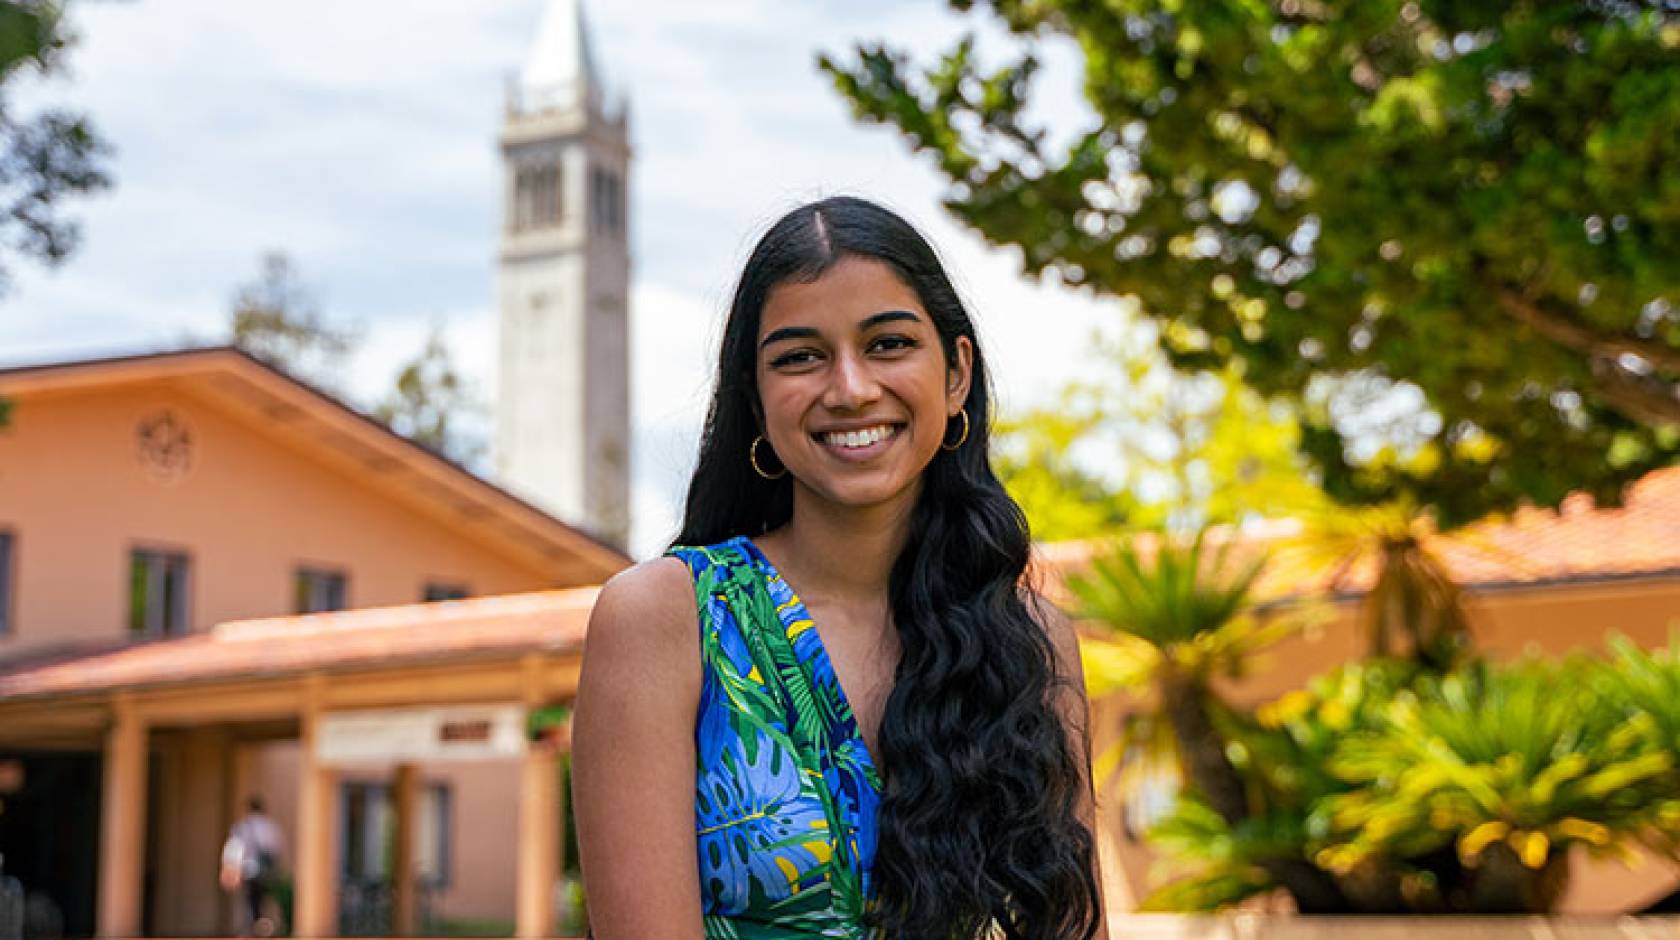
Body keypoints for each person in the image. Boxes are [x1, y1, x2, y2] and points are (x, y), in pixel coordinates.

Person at [572, 196, 1108, 939]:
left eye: (888, 344)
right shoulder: (668, 618)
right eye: (800, 357)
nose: (851, 388)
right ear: (755, 400)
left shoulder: (1028, 639)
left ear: (956, 373)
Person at [219, 796, 284, 937]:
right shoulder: (269, 826)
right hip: (266, 871)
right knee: (263, 899)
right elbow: (275, 850)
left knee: (250, 899)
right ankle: (262, 925)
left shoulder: (243, 826)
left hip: (249, 869)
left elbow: (235, 847)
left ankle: (254, 926)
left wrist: (229, 867)